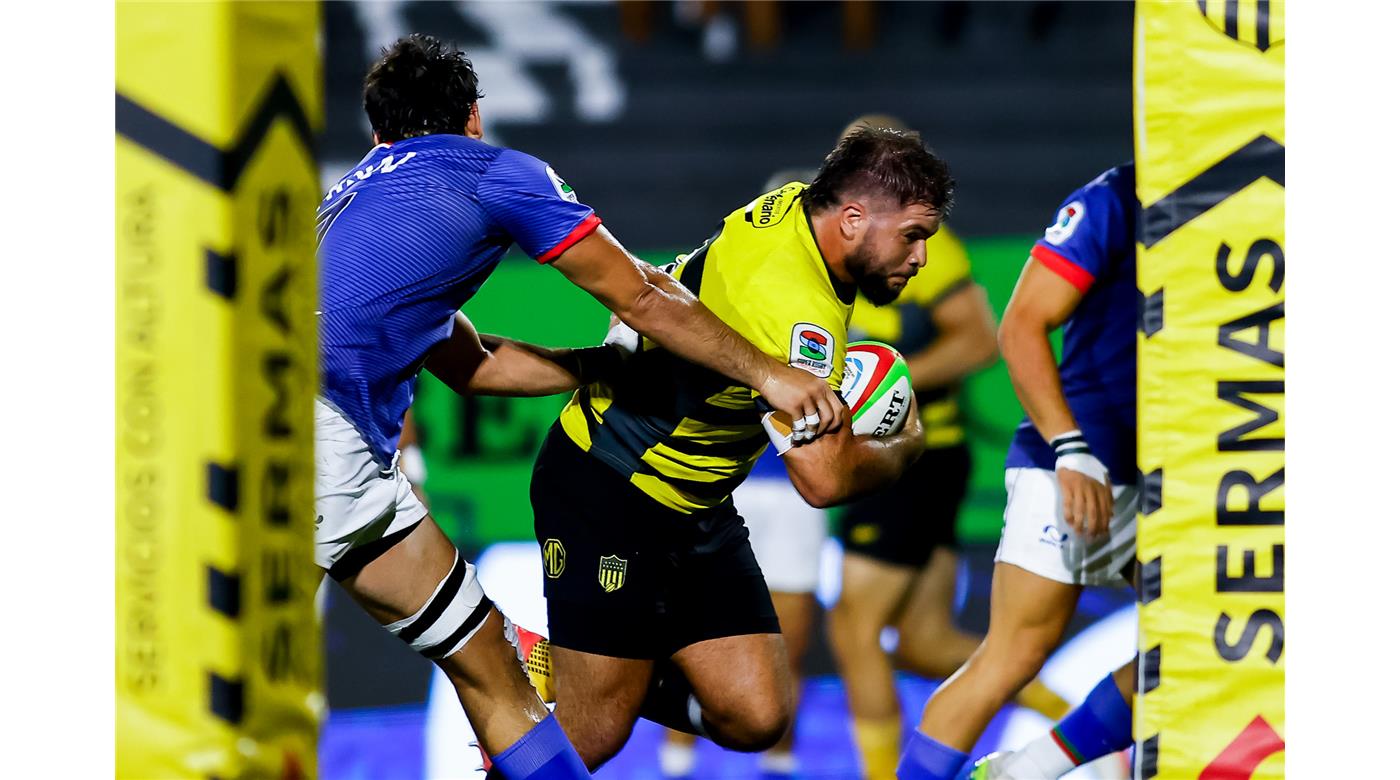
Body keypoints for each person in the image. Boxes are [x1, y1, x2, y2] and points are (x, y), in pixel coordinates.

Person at [316, 34, 844, 780]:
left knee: (491, 659)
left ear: (377, 133)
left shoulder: (348, 197)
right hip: (320, 452)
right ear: (474, 117)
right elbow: (641, 292)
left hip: (331, 461)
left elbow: (473, 366)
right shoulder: (494, 172)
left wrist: (602, 367)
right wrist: (773, 375)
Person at [529, 127, 955, 771]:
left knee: (756, 716)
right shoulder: (795, 319)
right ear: (852, 218)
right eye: (914, 234)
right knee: (594, 733)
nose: (921, 257)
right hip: (611, 485)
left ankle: (590, 665)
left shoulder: (795, 206)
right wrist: (905, 443)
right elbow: (823, 482)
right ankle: (559, 669)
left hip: (695, 498)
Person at [896, 164, 1140, 780]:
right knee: (1012, 655)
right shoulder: (1117, 198)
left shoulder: (1251, 207)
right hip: (1078, 460)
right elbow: (1020, 322)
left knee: (1188, 649)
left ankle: (1022, 772)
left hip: (1180, 472)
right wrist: (1070, 447)